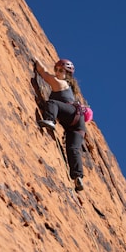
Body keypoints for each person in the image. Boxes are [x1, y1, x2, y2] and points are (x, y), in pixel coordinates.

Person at [35, 57, 85, 192]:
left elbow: (43, 73)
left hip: (71, 116)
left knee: (52, 103)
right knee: (73, 150)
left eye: (60, 70)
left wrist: (36, 60)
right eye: (56, 69)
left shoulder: (60, 83)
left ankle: (50, 120)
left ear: (67, 73)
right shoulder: (68, 87)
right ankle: (77, 177)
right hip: (78, 126)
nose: (57, 72)